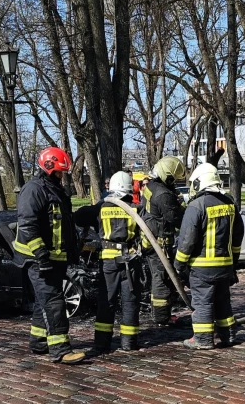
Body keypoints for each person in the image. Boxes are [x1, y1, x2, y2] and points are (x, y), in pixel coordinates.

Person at [14, 147, 86, 364]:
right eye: (59, 172)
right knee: (54, 302)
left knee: (44, 301)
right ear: (48, 169)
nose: (61, 176)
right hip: (37, 260)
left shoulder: (54, 190)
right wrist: (41, 255)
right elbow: (28, 225)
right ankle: (61, 350)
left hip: (52, 259)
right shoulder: (34, 190)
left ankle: (39, 341)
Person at [174, 163, 244, 349]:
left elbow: (187, 241)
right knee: (223, 302)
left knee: (203, 303)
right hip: (225, 266)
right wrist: (233, 262)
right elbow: (238, 235)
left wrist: (179, 266)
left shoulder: (196, 206)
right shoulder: (230, 203)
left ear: (199, 182)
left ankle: (203, 339)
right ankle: (228, 336)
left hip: (202, 268)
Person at [93, 171, 143, 353]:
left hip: (108, 262)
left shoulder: (101, 207)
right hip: (131, 261)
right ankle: (129, 343)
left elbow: (80, 217)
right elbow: (146, 235)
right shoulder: (136, 207)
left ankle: (101, 343)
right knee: (130, 302)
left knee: (107, 301)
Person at [141, 156, 186, 325]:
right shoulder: (163, 194)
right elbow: (175, 219)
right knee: (161, 279)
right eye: (173, 179)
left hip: (151, 239)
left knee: (160, 277)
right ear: (167, 176)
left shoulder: (152, 186)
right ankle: (161, 316)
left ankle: (161, 314)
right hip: (160, 243)